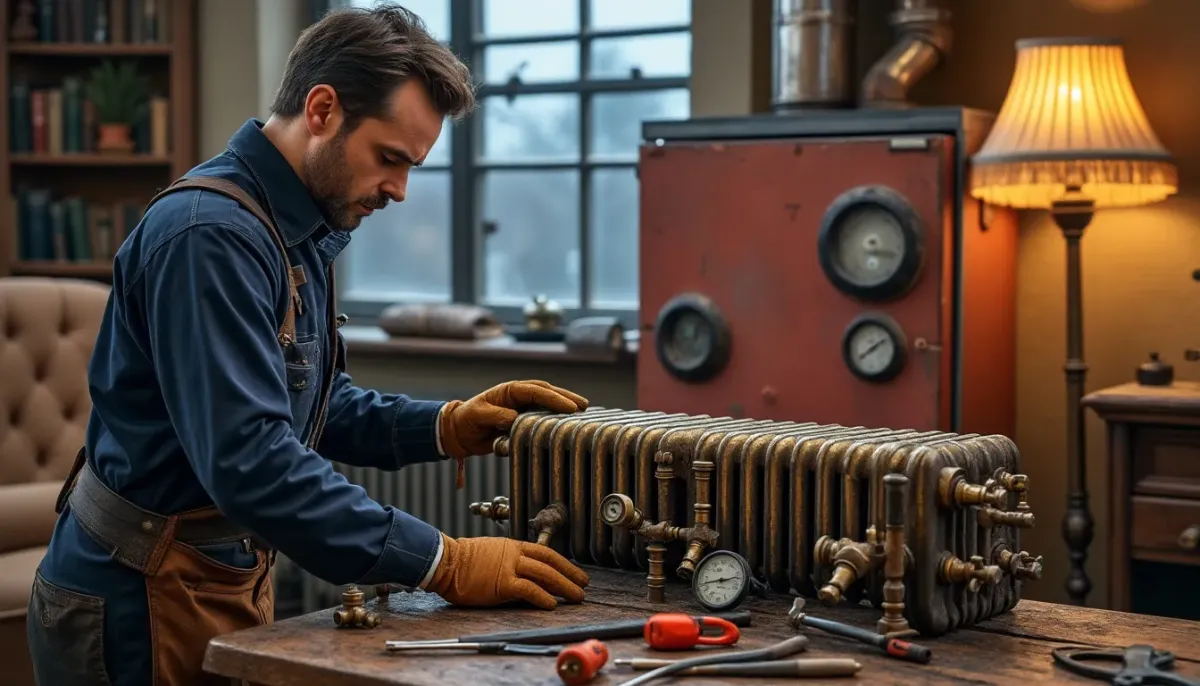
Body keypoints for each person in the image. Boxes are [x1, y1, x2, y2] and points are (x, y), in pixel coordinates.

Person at [26, 5, 592, 686]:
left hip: (205, 574)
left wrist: (443, 426)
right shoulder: (211, 236)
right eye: (389, 159)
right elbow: (253, 461)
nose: (401, 191)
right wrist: (442, 561)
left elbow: (312, 406)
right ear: (322, 110)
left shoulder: (293, 225)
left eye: (411, 167)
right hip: (138, 596)